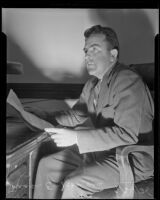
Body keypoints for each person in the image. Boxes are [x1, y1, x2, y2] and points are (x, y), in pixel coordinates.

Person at [26, 25, 154, 199]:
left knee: (74, 183)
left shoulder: (127, 80)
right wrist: (43, 115)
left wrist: (76, 138)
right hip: (101, 152)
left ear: (113, 55)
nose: (87, 55)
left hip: (131, 158)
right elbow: (76, 115)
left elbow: (127, 134)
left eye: (94, 50)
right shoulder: (92, 84)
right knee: (47, 165)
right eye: (86, 50)